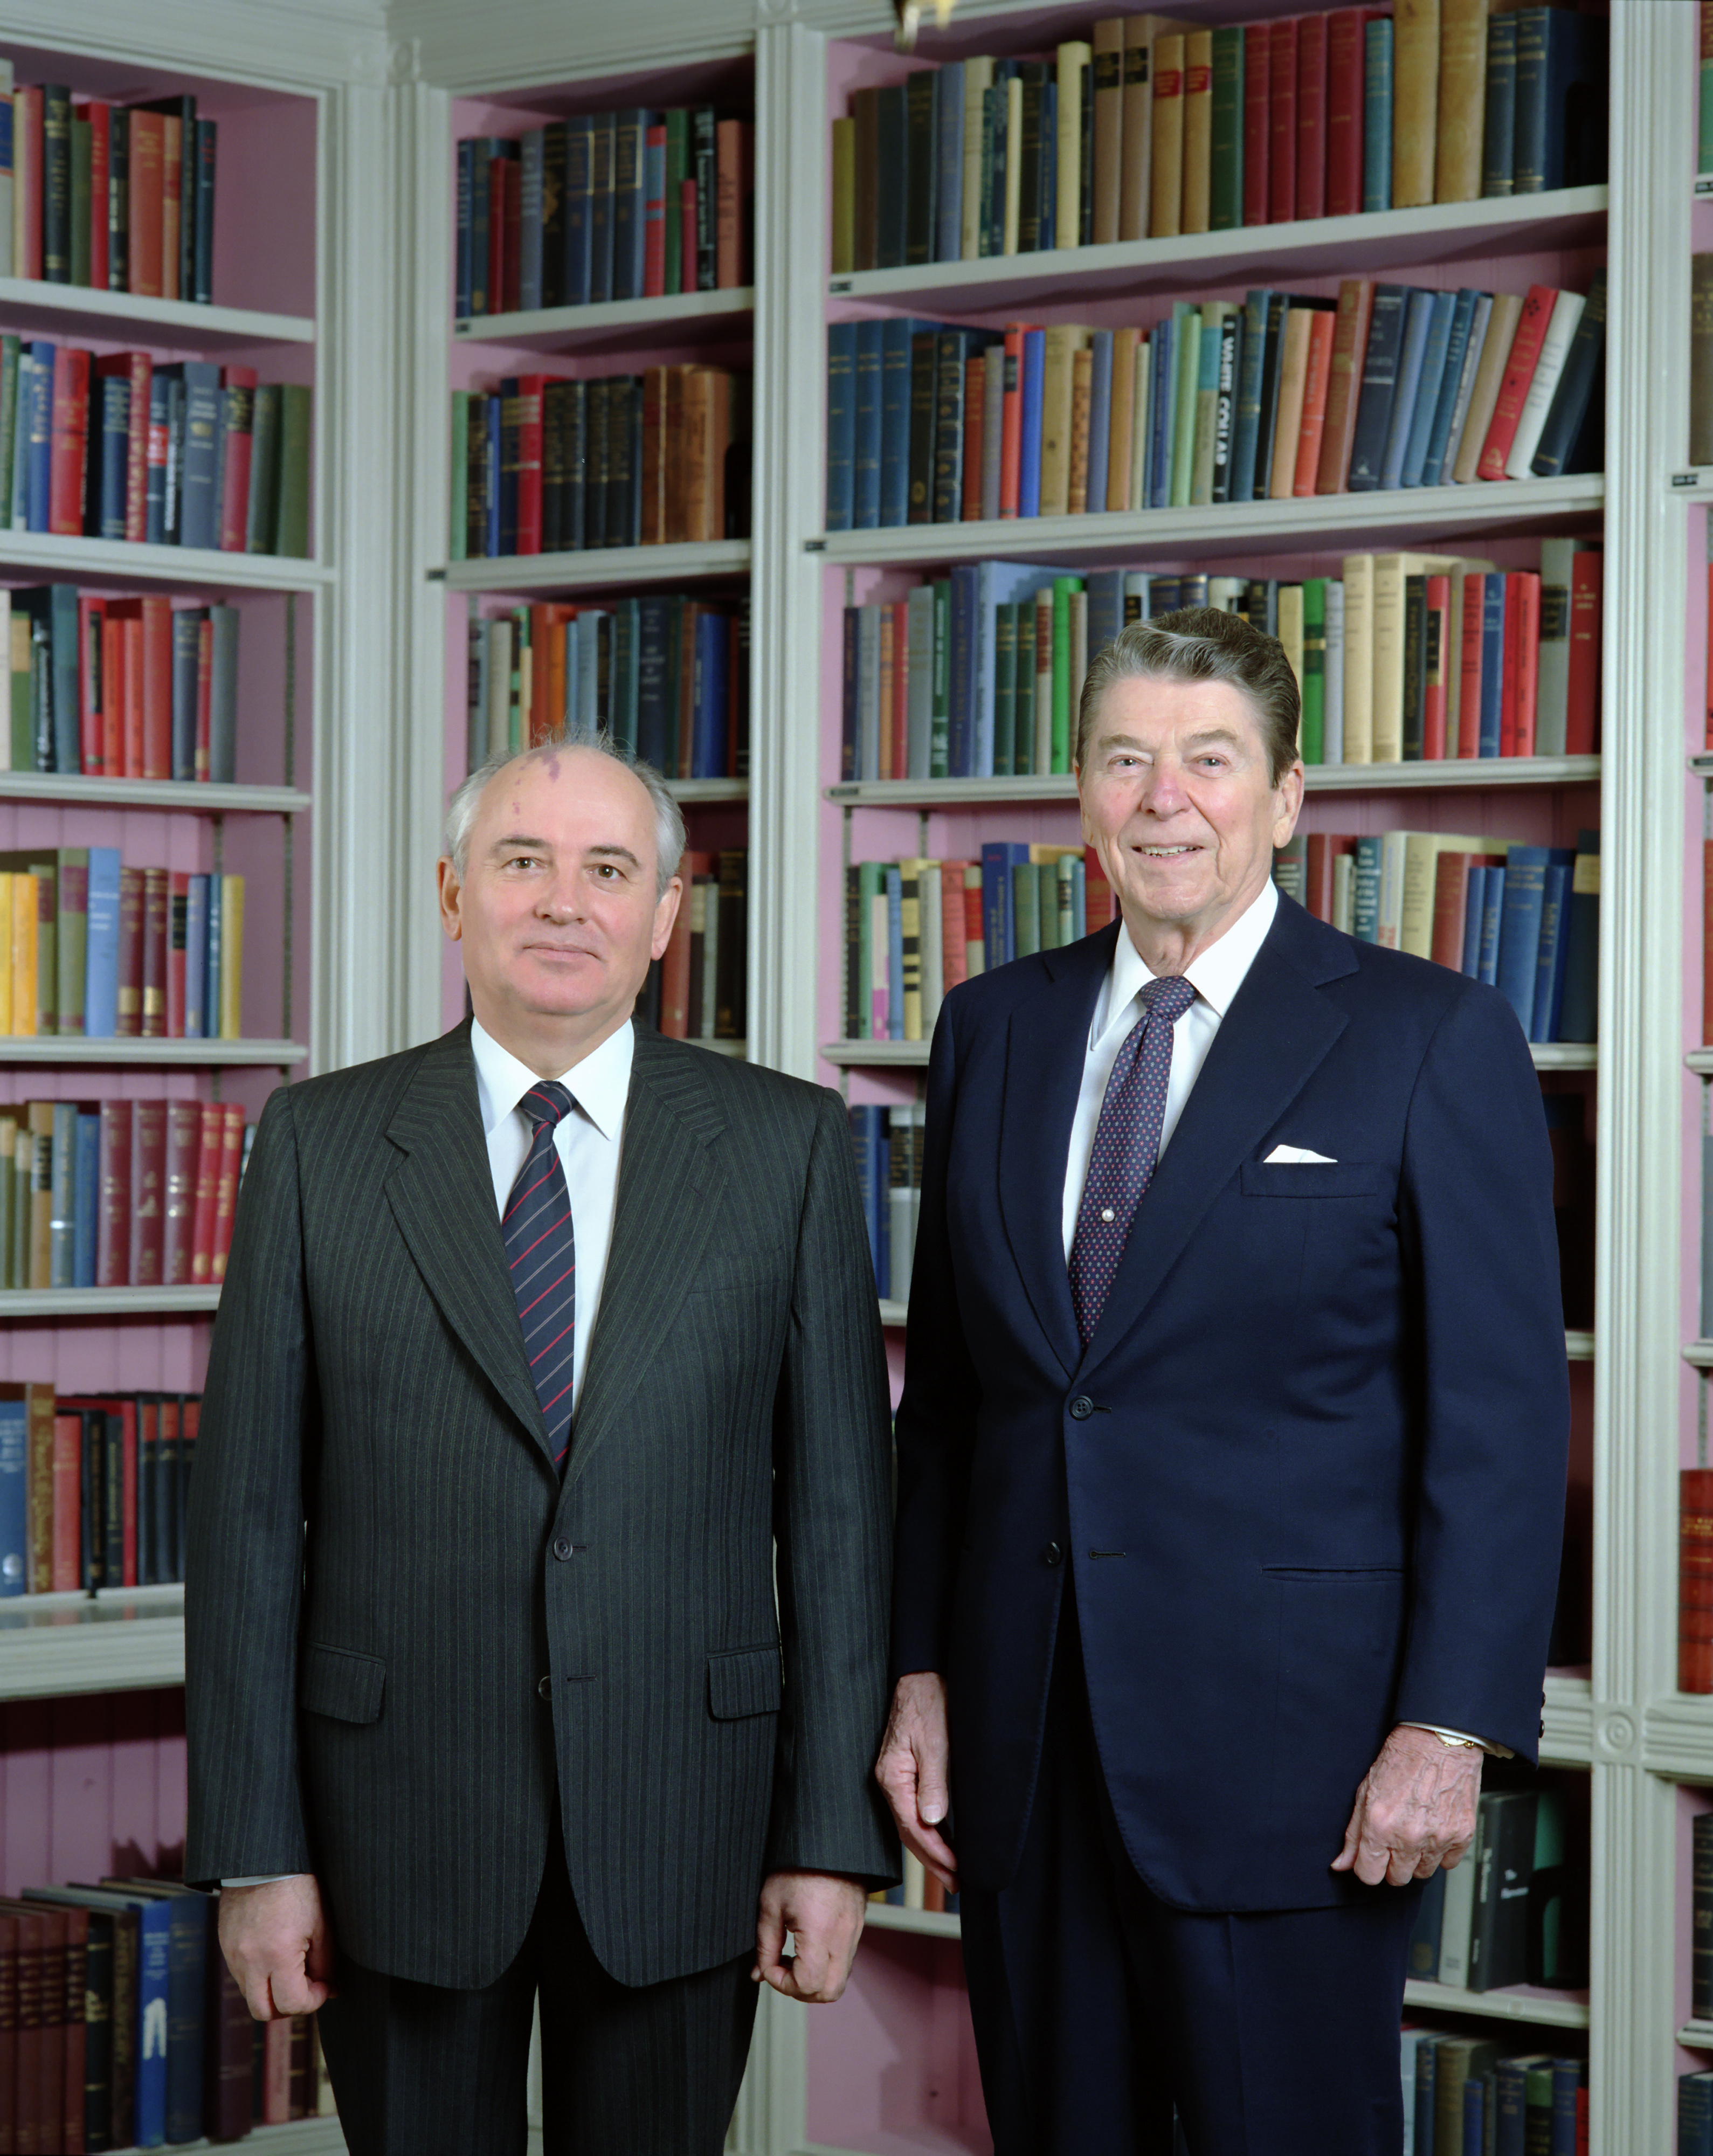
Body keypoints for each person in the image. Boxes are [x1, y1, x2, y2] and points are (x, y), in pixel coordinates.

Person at [875, 609, 1569, 2155]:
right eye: (1125, 759)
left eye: (1206, 760)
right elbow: (958, 1408)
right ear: (1079, 793)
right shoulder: (994, 1026)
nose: (1161, 798)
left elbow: (1501, 1423)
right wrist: (917, 1669)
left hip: (1296, 1763)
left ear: (1286, 794)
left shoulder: (1421, 1034)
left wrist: (1445, 1728)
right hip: (1024, 1744)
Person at [185, 733, 897, 2155]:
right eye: (522, 863)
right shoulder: (320, 1146)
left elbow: (836, 1520)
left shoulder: (791, 1148)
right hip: (398, 1827)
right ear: (454, 896)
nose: (564, 903)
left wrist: (827, 1838)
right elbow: (250, 1521)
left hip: (686, 1826)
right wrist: (255, 1852)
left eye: (607, 870)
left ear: (665, 913)